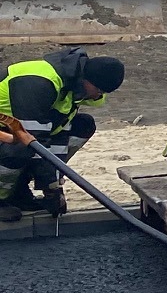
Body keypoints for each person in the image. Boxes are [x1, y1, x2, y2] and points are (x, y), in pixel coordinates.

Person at [0, 48, 125, 221]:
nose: (98, 96)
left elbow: (58, 136)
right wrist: (51, 188)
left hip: (15, 129)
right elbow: (34, 143)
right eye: (99, 90)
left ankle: (18, 191)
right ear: (87, 80)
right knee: (21, 147)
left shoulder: (71, 86)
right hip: (13, 132)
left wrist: (53, 185)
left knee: (83, 125)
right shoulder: (38, 83)